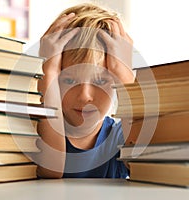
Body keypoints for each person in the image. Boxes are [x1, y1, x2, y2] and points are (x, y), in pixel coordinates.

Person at [34, 3, 135, 179]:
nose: (84, 96)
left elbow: (145, 165)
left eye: (100, 80)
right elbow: (51, 171)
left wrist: (124, 73)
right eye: (69, 80)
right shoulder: (35, 130)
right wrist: (48, 70)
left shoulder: (120, 136)